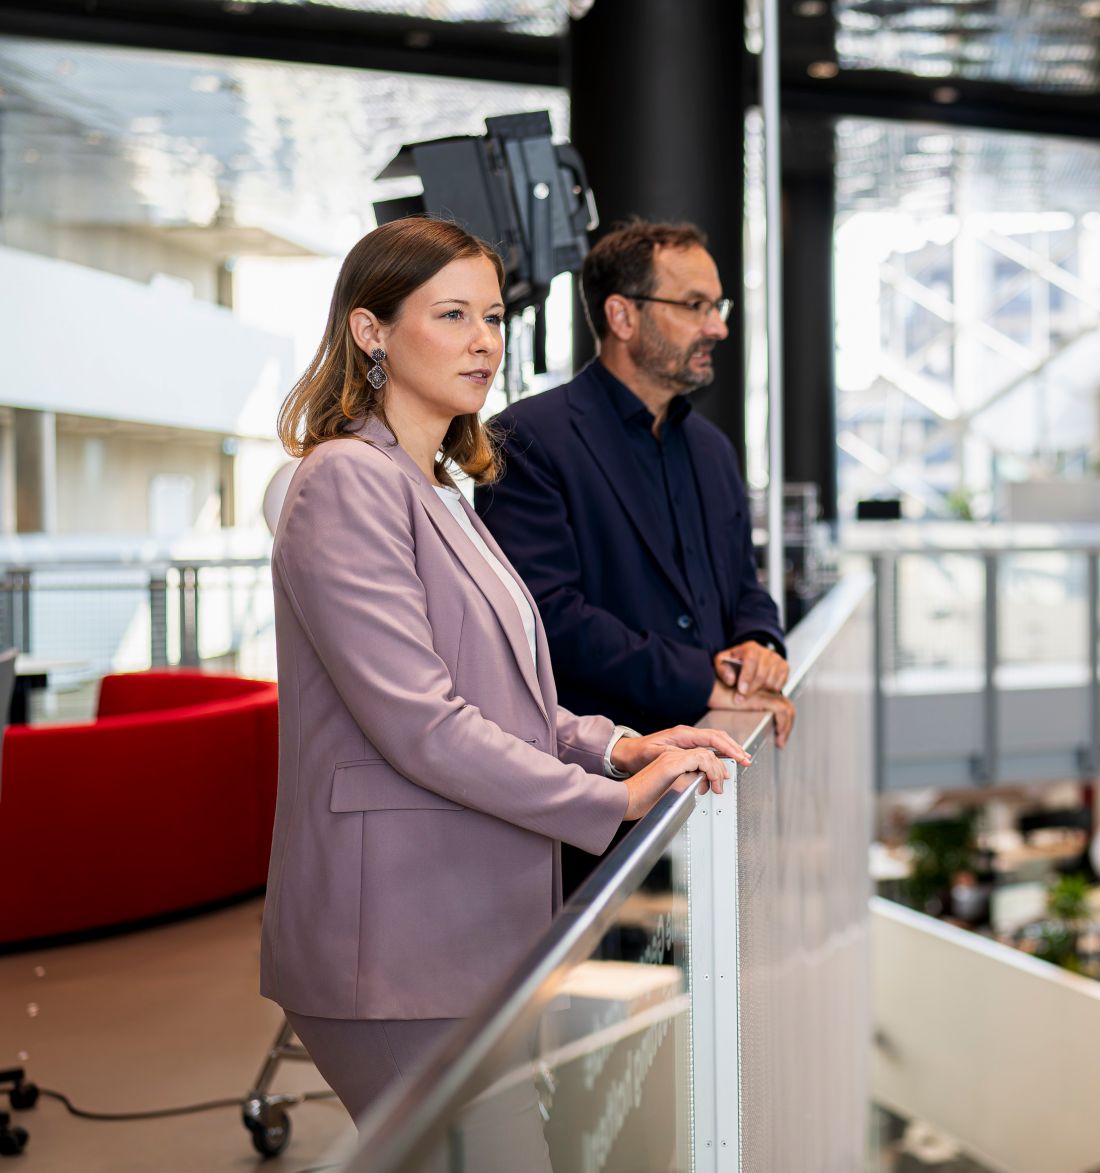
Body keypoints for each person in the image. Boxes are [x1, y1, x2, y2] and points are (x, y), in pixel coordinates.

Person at [261, 216, 750, 1144]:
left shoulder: (435, 481)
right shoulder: (345, 482)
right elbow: (426, 726)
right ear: (371, 331)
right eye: (452, 315)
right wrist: (608, 798)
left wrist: (619, 744)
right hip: (395, 939)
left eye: (492, 316)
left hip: (461, 924)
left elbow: (505, 697)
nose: (485, 340)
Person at [477, 221, 794, 887]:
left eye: (719, 306)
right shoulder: (529, 437)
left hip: (710, 789)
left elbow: (744, 585)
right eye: (695, 306)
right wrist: (704, 681)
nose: (717, 327)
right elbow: (550, 622)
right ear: (622, 314)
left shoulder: (712, 449)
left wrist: (759, 642)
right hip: (596, 795)